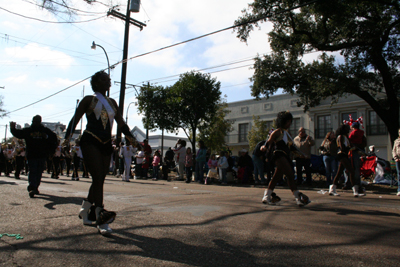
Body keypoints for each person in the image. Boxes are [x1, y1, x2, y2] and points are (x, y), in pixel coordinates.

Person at [63, 71, 140, 235]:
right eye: (104, 80)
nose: (108, 82)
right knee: (97, 177)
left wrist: (133, 139)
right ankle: (100, 216)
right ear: (96, 83)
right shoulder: (88, 100)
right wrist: (66, 138)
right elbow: (75, 119)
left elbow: (121, 123)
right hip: (90, 140)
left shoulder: (112, 103)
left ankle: (85, 210)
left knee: (100, 179)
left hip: (106, 143)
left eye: (109, 80)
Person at [261, 111, 311, 207]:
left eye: (290, 121)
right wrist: (264, 147)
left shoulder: (288, 134)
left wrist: (302, 154)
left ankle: (266, 196)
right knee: (290, 174)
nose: (289, 123)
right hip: (278, 155)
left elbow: (292, 148)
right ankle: (298, 197)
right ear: (282, 121)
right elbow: (269, 141)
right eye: (288, 121)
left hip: (286, 157)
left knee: (276, 177)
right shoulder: (277, 131)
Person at [10, 115, 57, 198]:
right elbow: (19, 134)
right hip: (31, 154)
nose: (35, 123)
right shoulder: (29, 130)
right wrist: (12, 128)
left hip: (42, 154)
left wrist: (47, 140)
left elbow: (54, 139)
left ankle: (35, 187)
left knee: (39, 172)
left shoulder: (45, 131)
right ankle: (32, 187)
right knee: (33, 170)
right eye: (34, 121)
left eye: (37, 121)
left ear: (40, 122)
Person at [328, 124, 365, 197]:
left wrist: (356, 150)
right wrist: (351, 149)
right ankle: (355, 191)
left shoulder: (345, 137)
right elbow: (342, 148)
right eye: (348, 129)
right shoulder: (341, 137)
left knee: (339, 173)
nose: (349, 130)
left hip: (344, 155)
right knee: (351, 171)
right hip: (341, 155)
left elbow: (350, 146)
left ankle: (332, 189)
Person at [348, 122, 366, 190]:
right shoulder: (362, 133)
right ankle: (358, 182)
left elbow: (349, 139)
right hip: (360, 150)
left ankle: (353, 182)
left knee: (353, 167)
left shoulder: (353, 133)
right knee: (358, 167)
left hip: (354, 150)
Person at [392, 128, 400, 196]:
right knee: (399, 174)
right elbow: (394, 150)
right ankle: (399, 190)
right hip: (398, 160)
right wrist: (396, 158)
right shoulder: (396, 141)